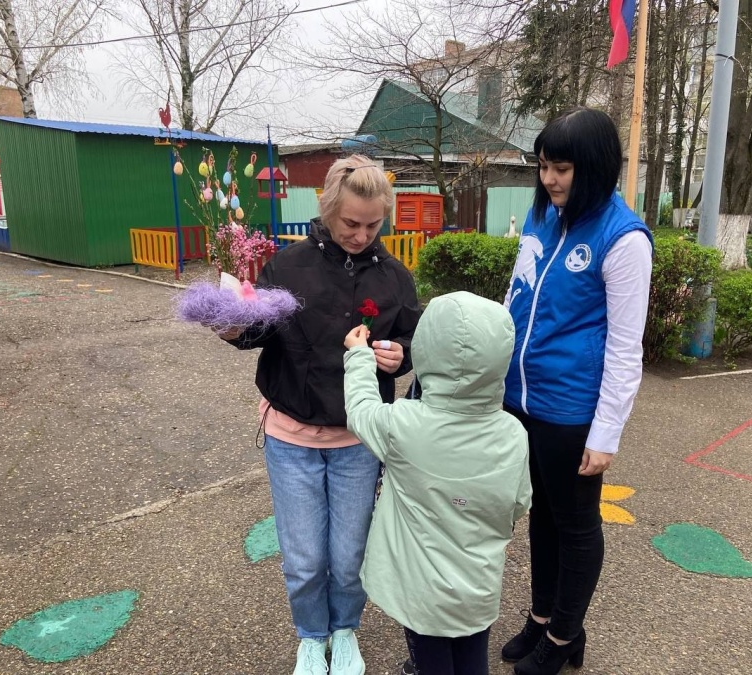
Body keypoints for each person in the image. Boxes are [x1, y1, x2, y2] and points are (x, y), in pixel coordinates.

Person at [220, 155, 421, 675]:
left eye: (374, 225)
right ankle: (312, 635)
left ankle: (344, 630)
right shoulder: (288, 268)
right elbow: (261, 333)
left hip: (358, 438)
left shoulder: (396, 279)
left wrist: (401, 353)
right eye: (351, 222)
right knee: (306, 556)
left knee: (350, 553)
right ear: (328, 209)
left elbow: (415, 339)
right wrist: (237, 328)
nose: (361, 234)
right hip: (292, 435)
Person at [500, 107, 653, 675]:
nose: (550, 180)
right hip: (522, 399)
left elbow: (624, 348)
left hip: (571, 410)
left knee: (577, 523)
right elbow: (516, 295)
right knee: (541, 514)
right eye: (543, 167)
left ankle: (566, 637)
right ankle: (542, 619)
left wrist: (606, 432)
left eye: (561, 168)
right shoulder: (543, 215)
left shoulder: (623, 237)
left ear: (592, 167)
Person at [342, 291, 532, 675]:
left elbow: (360, 410)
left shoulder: (404, 423)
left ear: (428, 351)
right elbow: (519, 503)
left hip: (421, 590)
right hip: (478, 584)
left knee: (430, 660)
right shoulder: (513, 433)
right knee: (472, 655)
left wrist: (360, 357)